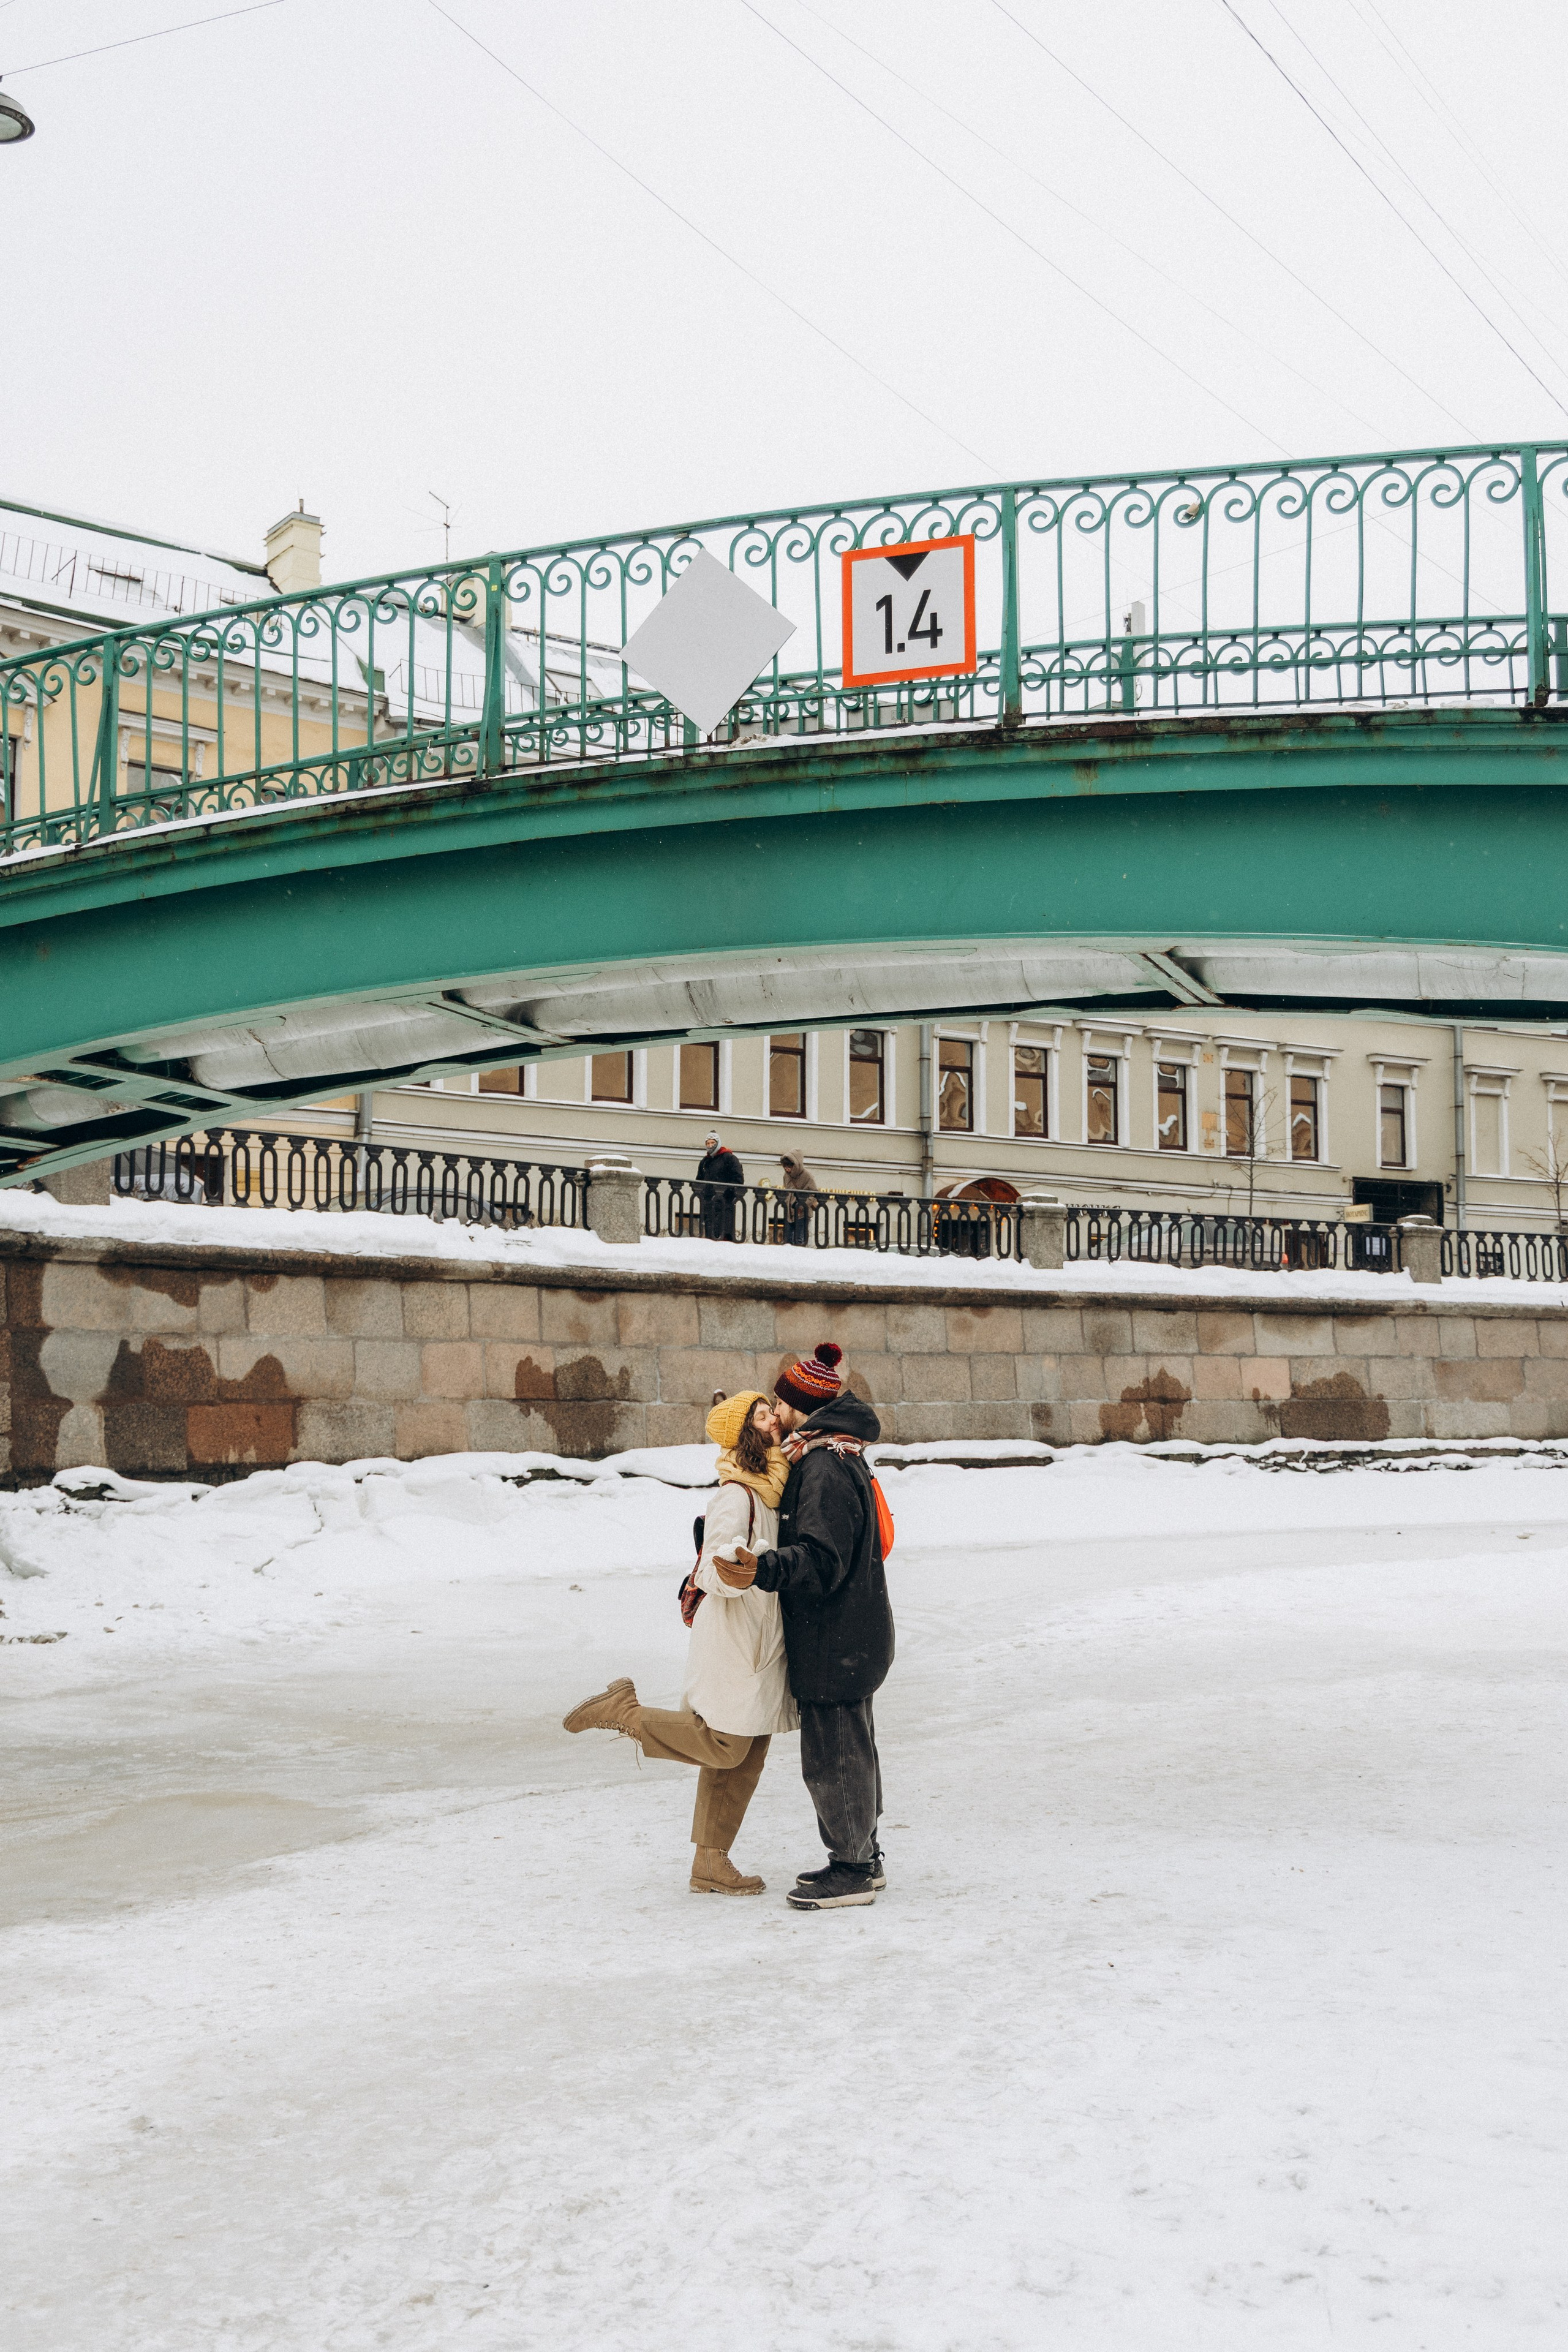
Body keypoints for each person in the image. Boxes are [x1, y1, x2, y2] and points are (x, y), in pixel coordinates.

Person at [561, 1392, 795, 1894]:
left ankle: (711, 1862)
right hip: (737, 1633)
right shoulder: (737, 1494)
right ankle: (626, 1712)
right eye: (762, 1415)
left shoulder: (769, 1489)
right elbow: (712, 1564)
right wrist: (735, 1573)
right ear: (745, 1435)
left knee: (748, 1749)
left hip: (761, 1631)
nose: (774, 1418)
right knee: (726, 1743)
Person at [715, 1340, 893, 1912]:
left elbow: (820, 1557)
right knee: (853, 1746)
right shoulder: (835, 1454)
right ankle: (863, 1855)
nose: (775, 1409)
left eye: (780, 1402)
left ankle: (852, 1870)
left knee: (834, 1754)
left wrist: (761, 1569)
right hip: (851, 1630)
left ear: (800, 1406)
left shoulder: (821, 1466)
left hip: (835, 1633)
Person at [695, 1130, 744, 1242]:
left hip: (725, 1204)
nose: (710, 1146)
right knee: (710, 1234)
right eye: (708, 1144)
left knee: (723, 1234)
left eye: (712, 1143)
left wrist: (727, 1193)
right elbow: (699, 1180)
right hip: (708, 1204)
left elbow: (738, 1180)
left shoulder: (729, 1158)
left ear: (718, 1143)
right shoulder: (705, 1162)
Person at [778, 1150, 818, 1248]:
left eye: (789, 1166)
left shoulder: (807, 1176)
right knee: (788, 1241)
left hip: (802, 1213)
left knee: (800, 1240)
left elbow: (814, 1193)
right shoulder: (786, 1176)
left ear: (796, 1165)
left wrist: (803, 1205)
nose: (787, 1170)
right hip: (789, 1211)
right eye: (785, 1167)